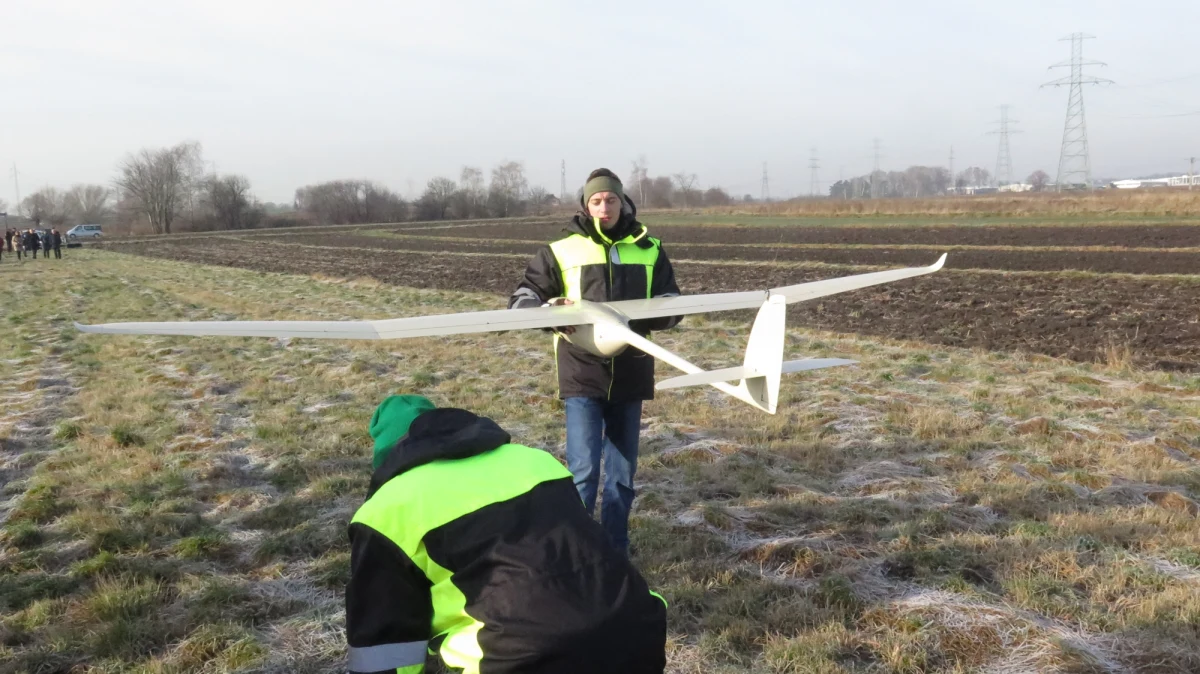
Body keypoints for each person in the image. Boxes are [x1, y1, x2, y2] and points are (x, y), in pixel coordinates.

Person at [345, 394, 668, 674]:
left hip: (521, 658)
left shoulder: (386, 511)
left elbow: (383, 645)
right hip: (637, 628)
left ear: (389, 456)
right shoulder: (536, 461)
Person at [508, 168, 681, 555]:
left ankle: (615, 553)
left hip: (632, 370)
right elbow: (522, 298)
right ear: (586, 205)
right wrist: (550, 309)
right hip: (581, 371)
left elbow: (673, 304)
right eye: (596, 201)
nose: (604, 207)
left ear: (623, 202)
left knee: (621, 476)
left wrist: (647, 316)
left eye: (611, 199)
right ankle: (580, 553)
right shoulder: (560, 250)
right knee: (584, 473)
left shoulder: (650, 249)